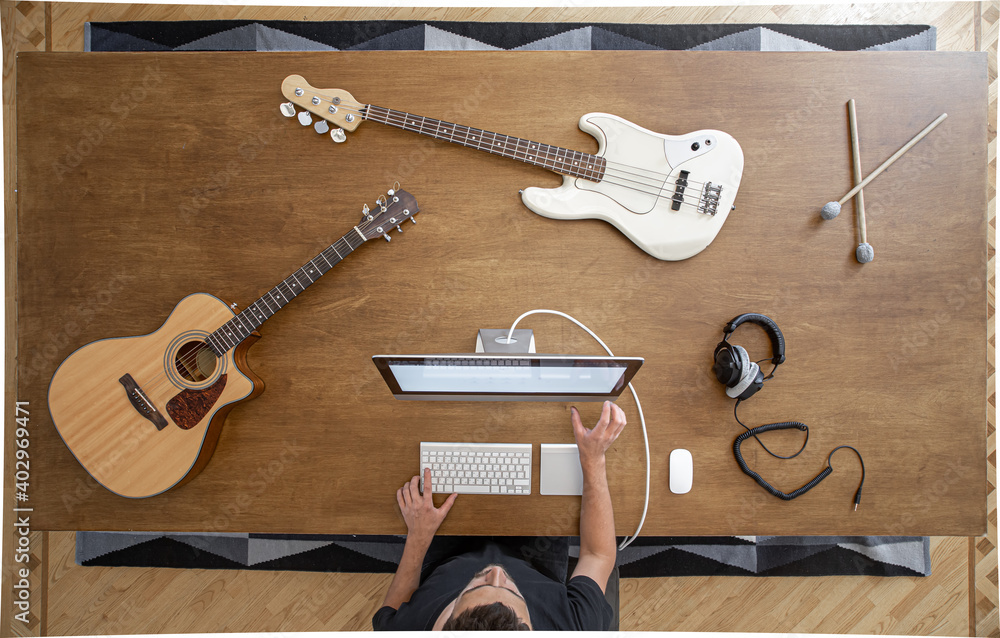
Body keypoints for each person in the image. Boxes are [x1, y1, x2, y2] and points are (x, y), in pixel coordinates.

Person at [372, 401, 626, 631]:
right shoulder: (574, 630)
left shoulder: (404, 632)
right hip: (536, 561)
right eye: (514, 592)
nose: (496, 571)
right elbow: (597, 555)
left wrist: (418, 535)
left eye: (478, 586)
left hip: (446, 559)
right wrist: (594, 459)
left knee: (437, 419)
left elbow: (395, 608)